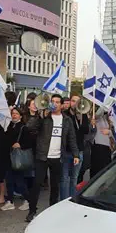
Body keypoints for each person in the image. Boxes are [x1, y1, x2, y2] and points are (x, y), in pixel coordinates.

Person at [25, 94, 79, 222]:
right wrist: (40, 115)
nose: (54, 104)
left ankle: (52, 210)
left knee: (55, 186)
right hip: (42, 156)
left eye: (57, 102)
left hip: (58, 157)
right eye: (52, 101)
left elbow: (71, 138)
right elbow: (30, 127)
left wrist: (76, 154)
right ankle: (32, 211)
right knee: (37, 184)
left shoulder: (66, 120)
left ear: (61, 105)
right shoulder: (44, 118)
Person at [1, 107, 31, 211]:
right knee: (9, 180)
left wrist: (20, 145)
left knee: (19, 180)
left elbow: (29, 142)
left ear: (21, 116)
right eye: (13, 113)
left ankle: (28, 200)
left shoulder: (23, 127)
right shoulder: (9, 126)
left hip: (17, 158)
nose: (14, 115)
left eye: (16, 114)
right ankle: (10, 201)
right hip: (8, 156)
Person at [60, 95, 89, 199]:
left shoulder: (83, 114)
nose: (75, 103)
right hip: (66, 150)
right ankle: (63, 200)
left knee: (74, 178)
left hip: (79, 150)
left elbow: (86, 131)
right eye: (73, 101)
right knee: (64, 178)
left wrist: (80, 118)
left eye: (77, 101)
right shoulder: (65, 115)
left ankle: (72, 198)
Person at [90, 108, 116, 178]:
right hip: (98, 146)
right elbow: (97, 114)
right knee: (97, 170)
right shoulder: (95, 117)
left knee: (105, 170)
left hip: (107, 147)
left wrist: (109, 132)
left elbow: (111, 134)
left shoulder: (107, 118)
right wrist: (104, 105)